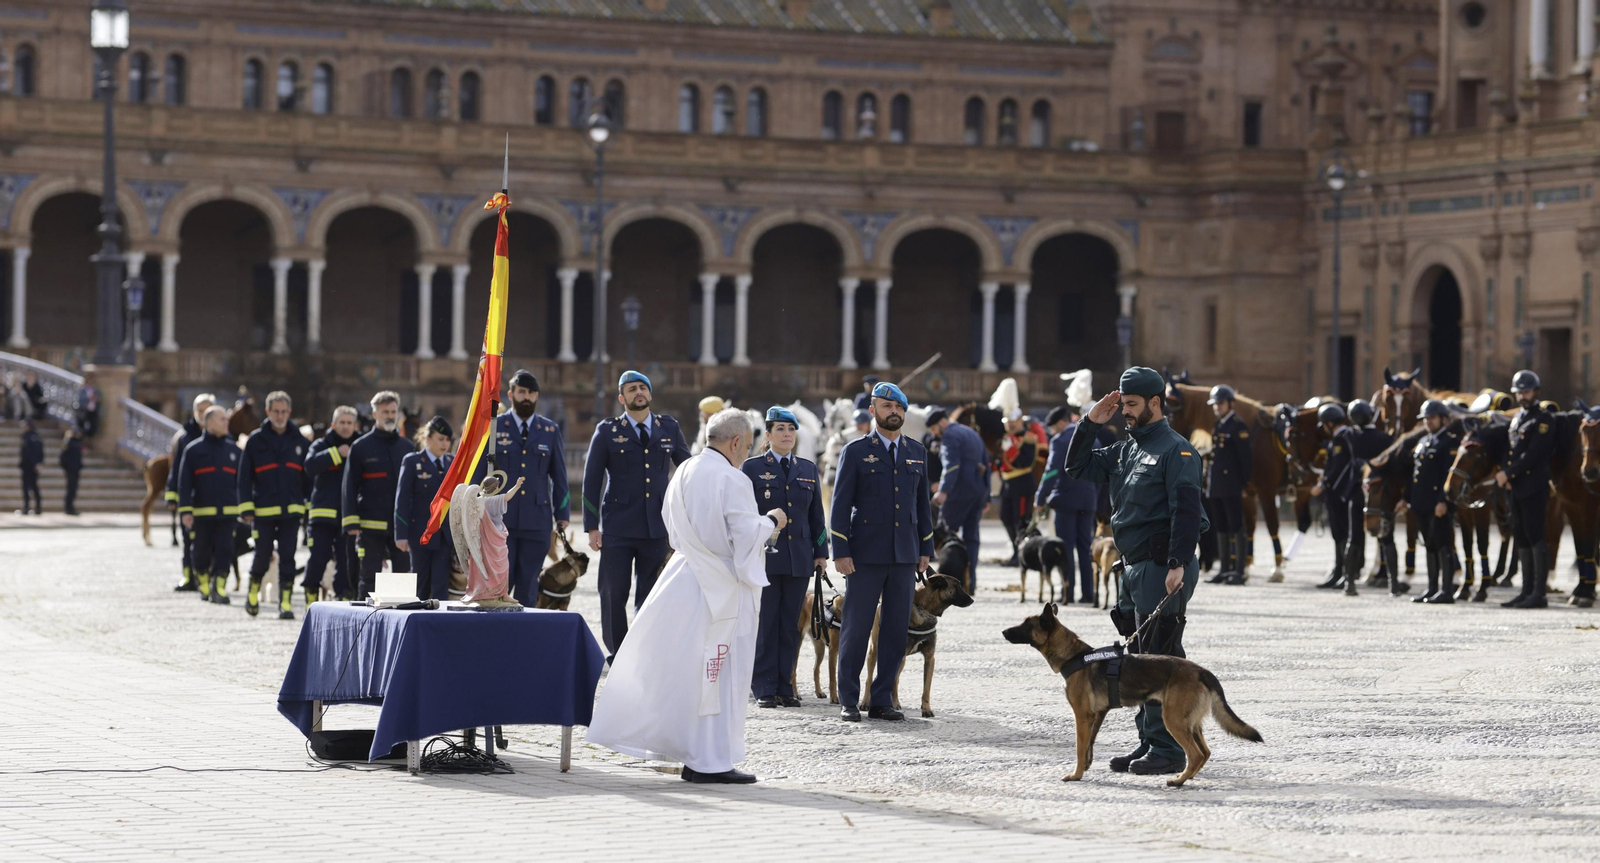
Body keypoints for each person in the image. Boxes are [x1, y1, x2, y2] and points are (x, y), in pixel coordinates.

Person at [588, 408, 783, 784]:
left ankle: (697, 752)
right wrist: (771, 521)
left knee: (691, 670)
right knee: (719, 672)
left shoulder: (686, 470)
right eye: (749, 444)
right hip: (719, 585)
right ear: (737, 441)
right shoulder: (732, 478)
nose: (749, 452)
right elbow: (743, 536)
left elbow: (669, 521)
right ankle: (710, 760)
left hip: (682, 577)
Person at [1066, 368, 1207, 777]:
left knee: (1162, 656)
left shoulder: (1176, 450)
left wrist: (1179, 563)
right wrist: (1090, 423)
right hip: (1131, 567)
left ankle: (1168, 748)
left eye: (1131, 405)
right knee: (1139, 658)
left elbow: (1187, 510)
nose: (1124, 412)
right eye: (1122, 405)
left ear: (1155, 403)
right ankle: (1149, 740)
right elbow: (1077, 468)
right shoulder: (1126, 449)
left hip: (1162, 565)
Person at [830, 382, 934, 722]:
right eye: (886, 406)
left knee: (894, 630)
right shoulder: (856, 451)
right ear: (873, 411)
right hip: (864, 555)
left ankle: (882, 699)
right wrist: (841, 550)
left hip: (905, 555)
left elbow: (923, 506)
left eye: (899, 407)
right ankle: (848, 698)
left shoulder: (917, 451)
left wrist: (925, 548)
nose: (894, 412)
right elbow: (840, 504)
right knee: (856, 628)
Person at [582, 370, 692, 657]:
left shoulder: (669, 427)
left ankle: (646, 652)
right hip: (618, 527)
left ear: (651, 395)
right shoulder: (607, 431)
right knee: (612, 593)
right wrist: (592, 526)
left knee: (653, 594)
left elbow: (688, 470)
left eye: (643, 388)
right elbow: (592, 480)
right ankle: (618, 653)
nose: (638, 392)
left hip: (658, 527)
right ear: (622, 398)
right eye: (631, 389)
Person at [741, 406, 827, 708]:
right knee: (767, 623)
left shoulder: (807, 468)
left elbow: (817, 516)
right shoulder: (751, 468)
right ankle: (763, 686)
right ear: (768, 435)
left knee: (791, 624)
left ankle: (785, 685)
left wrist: (821, 553)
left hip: (799, 557)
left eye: (791, 429)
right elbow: (744, 514)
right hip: (765, 556)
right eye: (780, 429)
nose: (787, 434)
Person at [473, 371, 569, 605]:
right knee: (500, 584)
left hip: (536, 521)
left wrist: (562, 515)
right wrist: (474, 506)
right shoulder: (495, 428)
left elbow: (559, 476)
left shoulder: (549, 430)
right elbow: (479, 473)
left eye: (532, 393)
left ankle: (524, 638)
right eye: (522, 392)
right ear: (511, 394)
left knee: (528, 587)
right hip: (499, 520)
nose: (527, 397)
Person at [237, 391, 307, 620]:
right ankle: (253, 592)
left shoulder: (299, 441)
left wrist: (306, 503)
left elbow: (308, 478)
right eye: (276, 411)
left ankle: (285, 602)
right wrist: (246, 508)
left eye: (284, 411)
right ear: (268, 412)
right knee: (262, 555)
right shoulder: (256, 441)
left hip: (292, 510)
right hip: (263, 511)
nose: (280, 415)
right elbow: (244, 477)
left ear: (289, 412)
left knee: (288, 557)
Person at [343, 391, 414, 600]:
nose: (390, 416)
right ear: (374, 414)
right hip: (369, 526)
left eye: (393, 411)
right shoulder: (361, 447)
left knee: (402, 577)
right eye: (385, 412)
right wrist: (351, 523)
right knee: (369, 578)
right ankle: (365, 623)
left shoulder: (407, 447)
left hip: (400, 526)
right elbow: (349, 487)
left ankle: (401, 621)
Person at [1036, 405, 1111, 603]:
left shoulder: (1060, 441)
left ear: (1061, 422)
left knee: (1065, 548)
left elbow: (1051, 472)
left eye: (1053, 426)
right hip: (1088, 501)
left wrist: (1040, 498)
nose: (1052, 431)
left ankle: (1067, 592)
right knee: (1086, 548)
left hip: (1065, 501)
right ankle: (1088, 593)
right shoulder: (1093, 439)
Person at [1317, 399, 1392, 597]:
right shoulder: (1384, 439)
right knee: (1386, 536)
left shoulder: (1349, 436)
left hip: (1356, 493)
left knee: (1354, 537)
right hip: (1378, 494)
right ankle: (1393, 584)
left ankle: (1349, 582)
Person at [1497, 370, 1554, 609]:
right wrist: (1507, 474)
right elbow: (1511, 452)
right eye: (1519, 392)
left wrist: (1509, 473)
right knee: (1520, 537)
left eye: (1526, 391)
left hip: (1533, 486)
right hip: (1516, 487)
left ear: (1536, 392)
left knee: (1535, 536)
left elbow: (1534, 454)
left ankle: (1539, 594)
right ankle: (1526, 590)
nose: (1522, 396)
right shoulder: (1518, 417)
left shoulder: (1544, 418)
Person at [1397, 399, 1460, 604]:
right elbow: (1417, 476)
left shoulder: (1448, 443)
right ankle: (1432, 587)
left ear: (1443, 419)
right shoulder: (1424, 441)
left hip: (1438, 505)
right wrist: (1406, 499)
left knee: (1443, 546)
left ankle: (1447, 590)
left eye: (1432, 418)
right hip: (1421, 504)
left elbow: (1447, 477)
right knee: (1430, 546)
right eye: (1425, 419)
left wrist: (1444, 502)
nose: (1428, 422)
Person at [179, 406, 243, 605]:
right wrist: (186, 510)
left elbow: (243, 482)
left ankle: (219, 587)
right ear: (208, 423)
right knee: (200, 552)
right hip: (202, 513)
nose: (226, 422)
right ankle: (204, 583)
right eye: (221, 419)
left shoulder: (234, 451)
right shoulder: (193, 450)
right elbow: (184, 483)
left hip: (229, 514)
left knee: (226, 551)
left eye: (226, 419)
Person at [396, 416, 455, 602]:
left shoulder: (453, 463)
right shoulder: (413, 461)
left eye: (447, 440)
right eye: (440, 439)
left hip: (445, 535)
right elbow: (402, 499)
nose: (445, 444)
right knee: (419, 584)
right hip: (420, 533)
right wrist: (401, 534)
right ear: (428, 439)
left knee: (441, 584)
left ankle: (440, 626)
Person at [303, 405, 359, 603]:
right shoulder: (321, 444)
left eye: (349, 423)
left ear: (355, 425)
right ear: (333, 424)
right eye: (341, 423)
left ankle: (343, 597)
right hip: (322, 516)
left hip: (348, 516)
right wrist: (336, 454)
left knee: (346, 562)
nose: (345, 427)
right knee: (318, 558)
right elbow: (309, 466)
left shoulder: (360, 445)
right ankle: (310, 595)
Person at [927, 406, 986, 588]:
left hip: (957, 494)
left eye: (934, 429)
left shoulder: (950, 436)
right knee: (972, 538)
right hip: (977, 492)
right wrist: (987, 497)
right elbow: (986, 464)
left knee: (946, 537)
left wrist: (943, 491)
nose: (935, 434)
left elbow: (951, 466)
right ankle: (970, 581)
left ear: (941, 422)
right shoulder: (970, 432)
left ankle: (947, 584)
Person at [1203, 385, 1253, 585]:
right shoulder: (1220, 425)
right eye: (1215, 404)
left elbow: (1246, 460)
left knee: (1236, 526)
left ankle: (1239, 571)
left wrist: (1243, 485)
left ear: (1231, 403)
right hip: (1217, 486)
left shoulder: (1237, 426)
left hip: (1232, 485)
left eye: (1220, 403)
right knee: (1221, 526)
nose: (1217, 407)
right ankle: (1224, 569)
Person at [167, 394, 216, 595]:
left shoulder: (221, 434)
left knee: (213, 541)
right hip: (191, 498)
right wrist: (172, 495)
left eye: (207, 410)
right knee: (188, 539)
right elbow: (176, 469)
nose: (203, 414)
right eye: (199, 410)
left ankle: (210, 576)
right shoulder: (185, 436)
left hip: (214, 498)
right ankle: (188, 575)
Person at [1309, 403, 1350, 590]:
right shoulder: (1339, 438)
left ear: (1330, 423)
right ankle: (1339, 569)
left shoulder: (1341, 439)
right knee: (1337, 534)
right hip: (1336, 493)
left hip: (1338, 494)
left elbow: (1338, 469)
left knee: (1341, 534)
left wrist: (1323, 485)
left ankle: (1344, 572)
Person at [996, 411, 1042, 567]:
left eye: (1013, 421)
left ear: (1020, 420)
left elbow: (1026, 462)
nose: (1010, 425)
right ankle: (1016, 550)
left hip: (1023, 485)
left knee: (1021, 520)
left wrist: (1010, 450)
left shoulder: (1028, 438)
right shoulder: (1005, 438)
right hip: (1007, 485)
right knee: (1005, 517)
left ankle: (1025, 552)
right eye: (1008, 422)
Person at [17, 417, 43, 515]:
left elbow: (38, 452)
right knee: (26, 487)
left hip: (31, 466)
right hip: (26, 466)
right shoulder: (25, 435)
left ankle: (37, 507)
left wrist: (38, 463)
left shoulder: (33, 437)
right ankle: (27, 507)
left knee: (33, 487)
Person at [58, 427, 83, 516]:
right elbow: (62, 457)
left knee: (73, 489)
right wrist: (66, 468)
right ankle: (68, 508)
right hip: (70, 470)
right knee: (70, 489)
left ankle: (71, 507)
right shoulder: (68, 443)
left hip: (76, 469)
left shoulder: (78, 443)